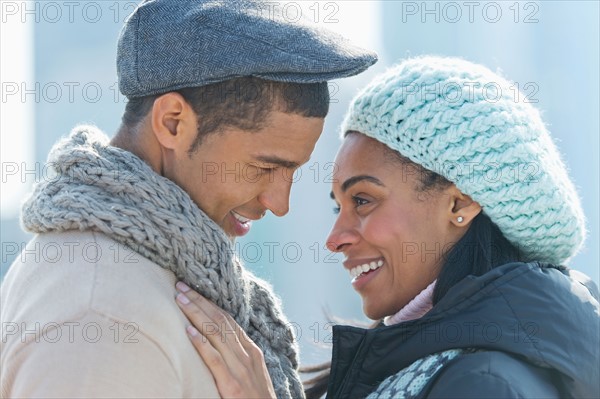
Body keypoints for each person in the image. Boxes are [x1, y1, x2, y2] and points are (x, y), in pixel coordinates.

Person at [0, 0, 377, 397]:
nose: (279, 203)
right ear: (172, 122)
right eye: (264, 168)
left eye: (292, 172)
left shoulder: (159, 270)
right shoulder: (101, 315)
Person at [175, 56, 599, 398]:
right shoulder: (429, 364)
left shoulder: (485, 384)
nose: (335, 237)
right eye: (337, 205)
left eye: (363, 200)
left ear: (460, 203)